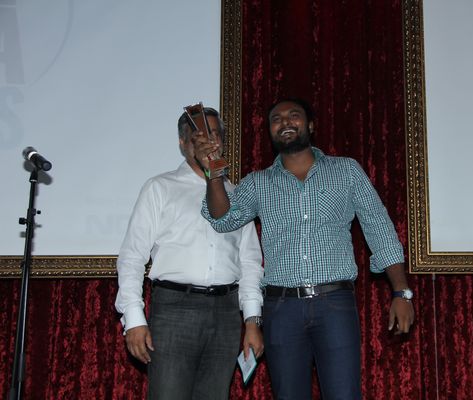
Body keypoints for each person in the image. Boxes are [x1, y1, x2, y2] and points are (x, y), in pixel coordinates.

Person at [195, 98, 415, 399]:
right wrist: (213, 172)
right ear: (270, 132)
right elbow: (222, 219)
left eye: (294, 115)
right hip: (281, 309)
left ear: (310, 125)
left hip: (334, 304)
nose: (285, 122)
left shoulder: (347, 171)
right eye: (276, 119)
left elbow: (380, 228)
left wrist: (401, 292)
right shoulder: (258, 183)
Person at [115, 107, 264, 400]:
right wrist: (133, 319)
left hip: (226, 312)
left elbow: (249, 262)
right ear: (183, 143)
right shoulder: (160, 187)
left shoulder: (237, 194)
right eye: (199, 135)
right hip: (174, 310)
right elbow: (132, 256)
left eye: (215, 134)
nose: (210, 141)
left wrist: (252, 320)